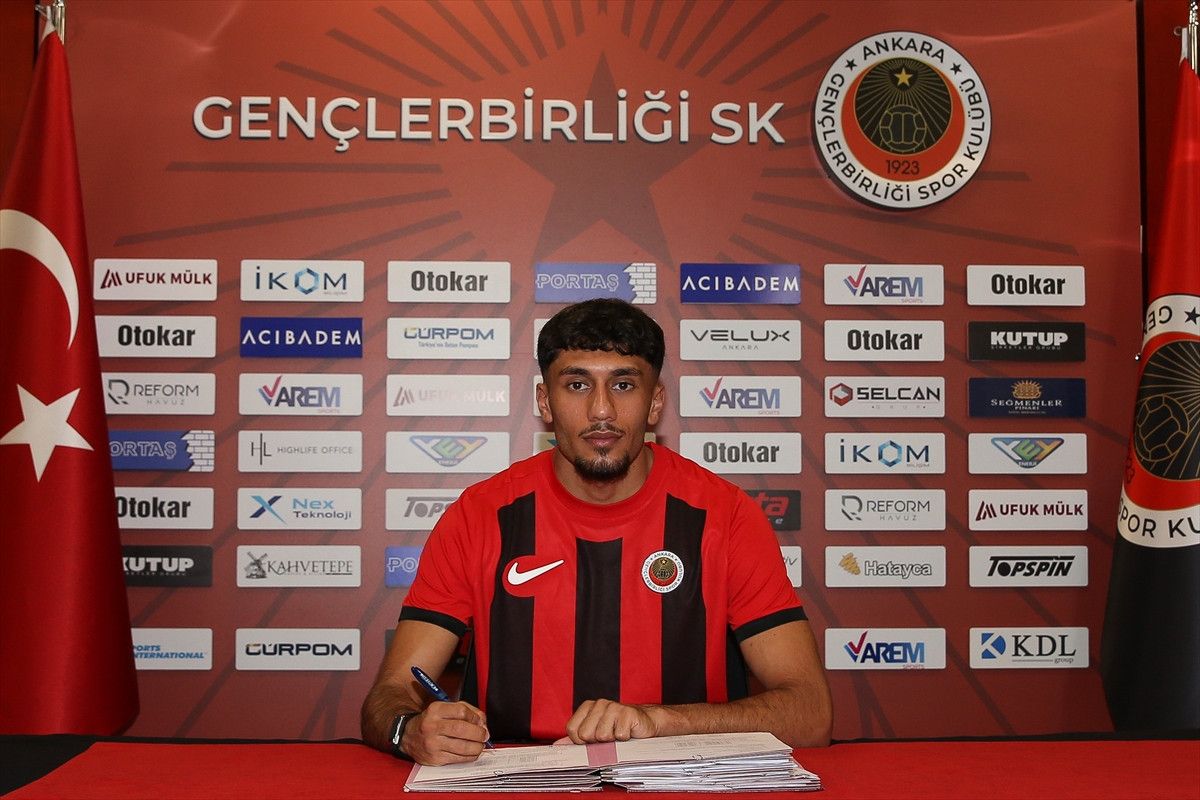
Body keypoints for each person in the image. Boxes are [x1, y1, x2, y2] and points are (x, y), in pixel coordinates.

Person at [362, 298, 831, 765]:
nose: (601, 410)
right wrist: (409, 729)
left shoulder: (724, 515)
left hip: (680, 782)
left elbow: (811, 713)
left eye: (623, 385)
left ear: (655, 402)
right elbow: (390, 693)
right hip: (513, 782)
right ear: (545, 401)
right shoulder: (479, 515)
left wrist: (659, 722)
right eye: (577, 384)